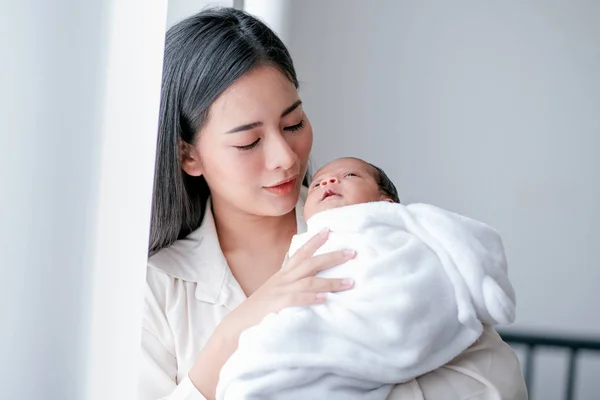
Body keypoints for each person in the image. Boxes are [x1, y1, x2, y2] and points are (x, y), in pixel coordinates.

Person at [140, 7, 528, 400]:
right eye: (249, 142)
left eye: (294, 124)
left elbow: (498, 384)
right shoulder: (158, 288)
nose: (286, 158)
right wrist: (233, 331)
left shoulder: (372, 228)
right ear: (189, 156)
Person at [216, 157, 518, 399]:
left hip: (390, 307)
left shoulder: (404, 222)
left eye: (350, 176)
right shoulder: (305, 242)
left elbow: (461, 240)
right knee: (258, 357)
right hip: (326, 322)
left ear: (385, 200)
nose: (329, 181)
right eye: (319, 182)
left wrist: (484, 287)